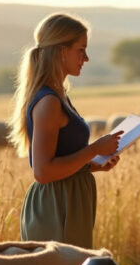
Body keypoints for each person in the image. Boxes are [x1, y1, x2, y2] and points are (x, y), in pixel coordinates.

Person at [8, 13, 123, 249]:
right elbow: (43, 171)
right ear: (62, 51)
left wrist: (93, 165)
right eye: (81, 50)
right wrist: (94, 150)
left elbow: (60, 159)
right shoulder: (49, 102)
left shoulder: (59, 95)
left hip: (68, 201)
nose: (86, 58)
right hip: (56, 207)